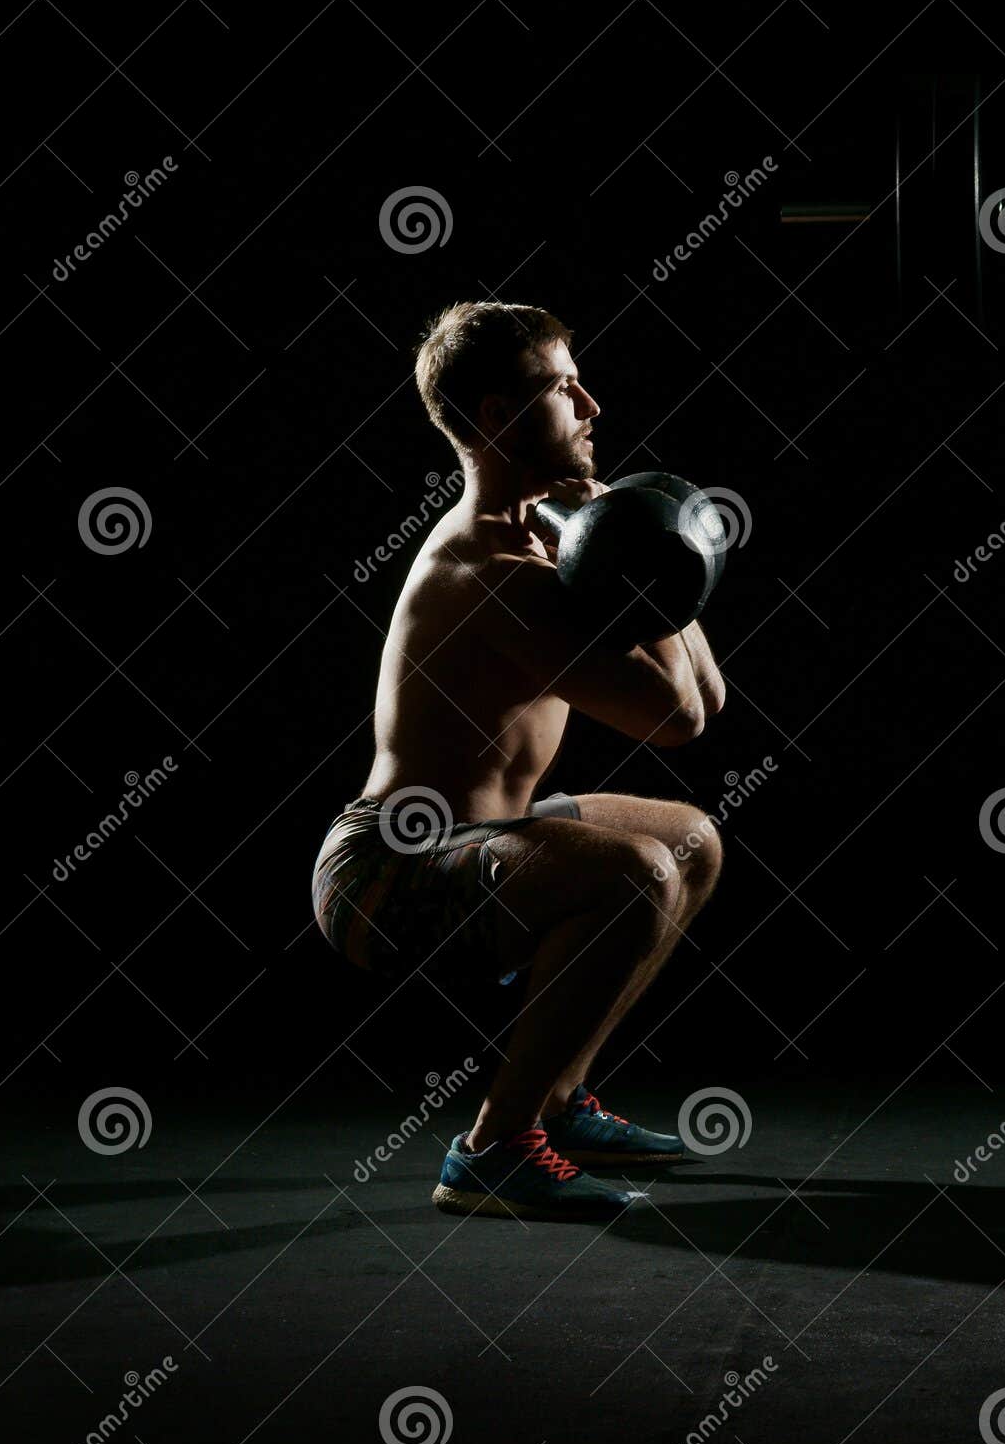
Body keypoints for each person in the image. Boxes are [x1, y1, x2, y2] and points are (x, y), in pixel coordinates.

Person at [311, 301, 726, 1219]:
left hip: (481, 837)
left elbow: (709, 698)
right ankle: (493, 1150)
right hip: (385, 874)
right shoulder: (491, 571)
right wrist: (630, 537)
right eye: (560, 387)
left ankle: (559, 1103)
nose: (592, 405)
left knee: (691, 840)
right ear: (499, 417)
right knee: (638, 875)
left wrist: (645, 554)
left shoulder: (542, 547)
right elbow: (680, 717)